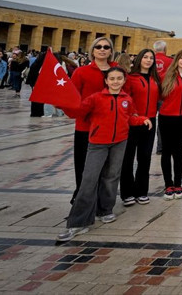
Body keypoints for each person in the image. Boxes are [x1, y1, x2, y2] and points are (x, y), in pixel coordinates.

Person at [57, 67, 152, 242]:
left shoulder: (126, 99)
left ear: (124, 81)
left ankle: (105, 209)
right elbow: (77, 112)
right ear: (106, 81)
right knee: (89, 180)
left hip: (119, 142)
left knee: (112, 176)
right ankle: (78, 221)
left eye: (119, 78)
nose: (115, 81)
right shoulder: (95, 98)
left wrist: (141, 119)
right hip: (98, 143)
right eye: (112, 79)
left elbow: (129, 117)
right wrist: (62, 103)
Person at [71, 38, 117, 202]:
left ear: (111, 51)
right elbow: (72, 98)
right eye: (98, 47)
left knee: (107, 168)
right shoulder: (82, 72)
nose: (102, 49)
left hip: (111, 127)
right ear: (92, 51)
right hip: (87, 127)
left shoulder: (117, 71)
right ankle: (81, 199)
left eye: (106, 47)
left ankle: (101, 201)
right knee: (84, 167)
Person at [120, 49, 161, 205]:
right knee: (128, 158)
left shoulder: (154, 79)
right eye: (145, 57)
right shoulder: (130, 78)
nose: (148, 60)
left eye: (151, 58)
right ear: (139, 59)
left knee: (144, 157)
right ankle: (127, 193)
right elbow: (126, 99)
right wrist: (135, 116)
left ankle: (141, 191)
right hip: (133, 121)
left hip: (149, 122)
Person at [159, 49, 182, 200]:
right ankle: (168, 184)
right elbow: (159, 95)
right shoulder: (165, 76)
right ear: (177, 59)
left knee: (178, 150)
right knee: (167, 151)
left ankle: (178, 183)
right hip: (167, 117)